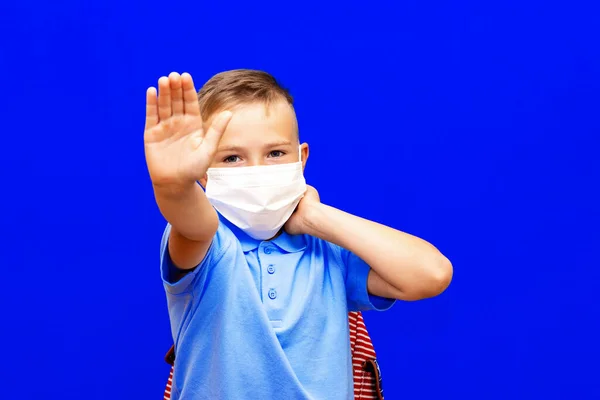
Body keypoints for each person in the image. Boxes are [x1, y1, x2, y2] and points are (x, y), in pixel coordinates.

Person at [144, 69, 453, 400]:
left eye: (275, 153)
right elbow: (192, 221)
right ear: (203, 171)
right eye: (232, 158)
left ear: (301, 159)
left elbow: (432, 273)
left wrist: (314, 217)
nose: (257, 171)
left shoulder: (327, 251)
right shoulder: (209, 244)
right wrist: (174, 186)